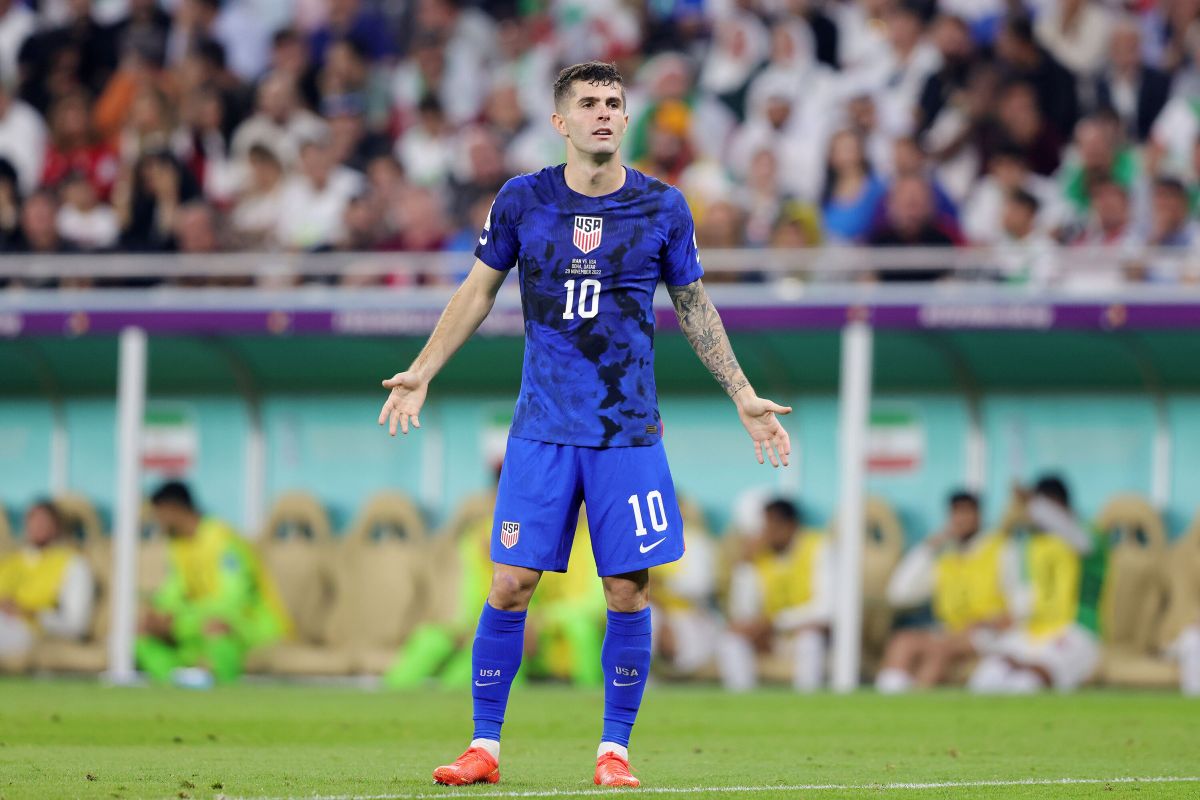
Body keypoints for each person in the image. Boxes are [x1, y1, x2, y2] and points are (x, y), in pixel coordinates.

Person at [376, 61, 792, 788]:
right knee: (510, 583)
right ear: (560, 121)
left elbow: (695, 306)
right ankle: (483, 747)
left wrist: (742, 393)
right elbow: (477, 291)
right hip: (542, 429)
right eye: (589, 103)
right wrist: (423, 368)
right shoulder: (522, 200)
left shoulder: (663, 206)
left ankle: (614, 752)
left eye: (614, 102)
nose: (604, 112)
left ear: (626, 118)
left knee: (627, 590)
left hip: (627, 433)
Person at [136, 481, 290, 686]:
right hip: (196, 623)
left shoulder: (223, 539)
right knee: (142, 633)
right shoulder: (178, 545)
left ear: (172, 509)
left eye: (158, 514)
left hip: (249, 624)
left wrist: (182, 619)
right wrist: (159, 614)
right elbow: (174, 591)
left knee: (216, 626)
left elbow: (234, 599)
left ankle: (223, 693)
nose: (156, 521)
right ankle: (178, 684)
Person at [968, 475, 1107, 693]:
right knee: (988, 676)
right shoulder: (1033, 544)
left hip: (1076, 631)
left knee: (1028, 681)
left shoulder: (1088, 535)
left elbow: (1074, 536)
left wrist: (1033, 501)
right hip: (1033, 630)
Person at [876, 491, 1010, 693]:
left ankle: (916, 703)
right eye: (956, 513)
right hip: (949, 630)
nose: (961, 520)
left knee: (939, 651)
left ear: (979, 516)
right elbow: (899, 593)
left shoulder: (1000, 549)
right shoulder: (946, 556)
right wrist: (930, 546)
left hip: (987, 632)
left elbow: (1019, 604)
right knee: (902, 642)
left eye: (967, 513)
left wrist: (988, 622)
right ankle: (888, 700)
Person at [716, 498, 832, 692]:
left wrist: (776, 622)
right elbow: (742, 612)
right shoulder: (761, 555)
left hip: (805, 631)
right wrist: (746, 564)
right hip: (772, 635)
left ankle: (807, 702)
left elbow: (826, 609)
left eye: (770, 525)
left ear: (790, 525)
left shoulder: (819, 547)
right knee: (731, 640)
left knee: (809, 640)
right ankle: (743, 702)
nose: (765, 533)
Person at [0, 500, 95, 660]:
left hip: (31, 633)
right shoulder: (9, 562)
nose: (38, 526)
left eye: (44, 521)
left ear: (57, 526)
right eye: (34, 520)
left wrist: (30, 613)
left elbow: (76, 624)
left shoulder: (73, 564)